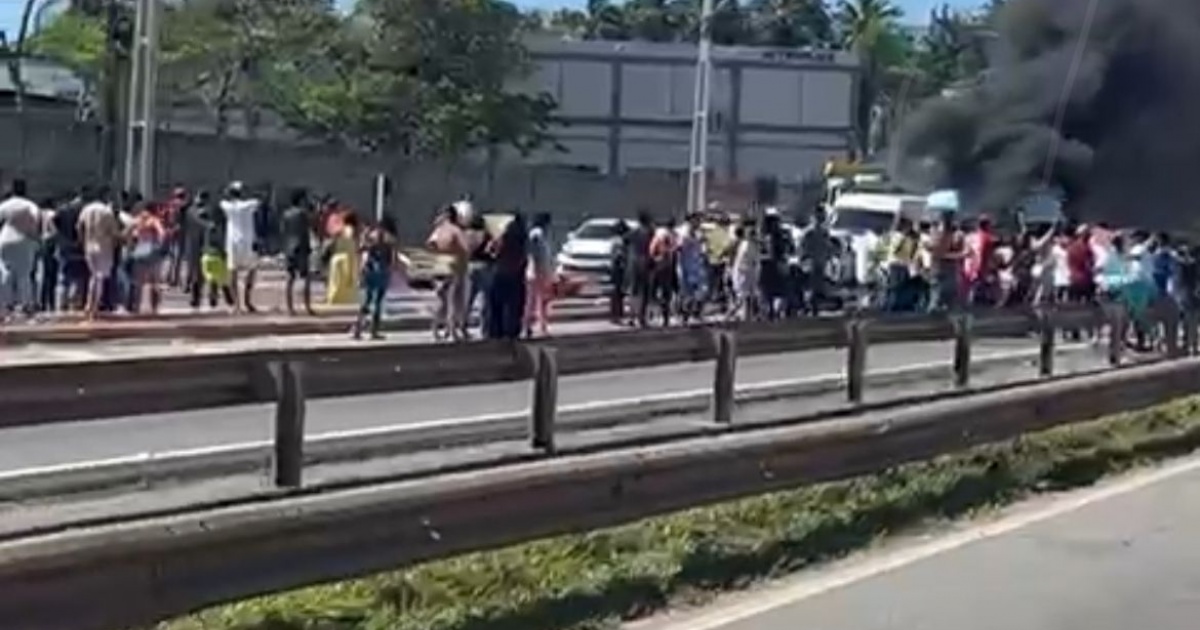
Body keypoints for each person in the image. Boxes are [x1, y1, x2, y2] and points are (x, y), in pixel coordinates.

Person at [426, 205, 469, 340]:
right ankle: (452, 330)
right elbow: (465, 248)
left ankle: (435, 329)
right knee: (453, 300)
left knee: (441, 300)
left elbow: (429, 244)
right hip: (453, 267)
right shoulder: (456, 231)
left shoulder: (438, 230)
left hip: (439, 266)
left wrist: (439, 253)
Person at [77, 186, 121, 320]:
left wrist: (82, 241)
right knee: (100, 278)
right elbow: (113, 232)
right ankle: (94, 306)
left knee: (94, 276)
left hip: (89, 245)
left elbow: (79, 227)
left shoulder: (86, 209)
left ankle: (89, 304)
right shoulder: (106, 211)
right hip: (103, 246)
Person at [0, 179, 41, 319]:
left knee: (6, 273)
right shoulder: (29, 205)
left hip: (5, 239)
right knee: (24, 274)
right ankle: (26, 305)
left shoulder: (5, 204)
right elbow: (36, 220)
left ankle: (3, 306)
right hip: (24, 240)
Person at [352, 217, 398, 340]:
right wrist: (391, 270)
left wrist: (361, 270)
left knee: (366, 300)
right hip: (382, 271)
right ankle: (374, 331)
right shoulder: (390, 239)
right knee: (378, 302)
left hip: (370, 269)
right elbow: (393, 259)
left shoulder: (370, 236)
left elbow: (361, 251)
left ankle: (358, 328)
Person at [220, 181, 260, 313]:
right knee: (252, 270)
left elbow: (223, 198)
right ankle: (247, 301)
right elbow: (259, 199)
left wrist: (229, 190)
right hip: (248, 242)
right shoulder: (250, 204)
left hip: (233, 243)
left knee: (233, 273)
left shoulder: (227, 206)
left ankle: (237, 305)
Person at [486, 213, 528, 340]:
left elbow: (490, 250)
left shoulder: (502, 237)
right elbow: (524, 257)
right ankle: (511, 331)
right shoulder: (522, 238)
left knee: (496, 305)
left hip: (499, 273)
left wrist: (494, 258)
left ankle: (495, 331)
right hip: (515, 275)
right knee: (514, 306)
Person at [124, 200, 167, 314]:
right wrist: (159, 245)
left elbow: (126, 234)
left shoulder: (136, 220)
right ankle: (154, 309)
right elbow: (162, 233)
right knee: (155, 282)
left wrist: (130, 246)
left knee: (138, 283)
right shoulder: (153, 220)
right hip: (152, 253)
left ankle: (136, 308)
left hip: (138, 252)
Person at [280, 188, 315, 315]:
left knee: (290, 278)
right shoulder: (303, 213)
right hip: (301, 247)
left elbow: (283, 230)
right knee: (305, 277)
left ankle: (290, 308)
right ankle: (307, 306)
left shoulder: (286, 213)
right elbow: (307, 229)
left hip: (289, 247)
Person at [464, 213, 494, 339]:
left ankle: (462, 327)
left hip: (470, 267)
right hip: (484, 267)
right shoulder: (486, 235)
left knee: (468, 299)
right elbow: (490, 250)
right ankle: (484, 329)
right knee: (485, 300)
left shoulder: (465, 235)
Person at [525, 212, 555, 337]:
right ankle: (529, 325)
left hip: (541, 271)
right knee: (533, 300)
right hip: (537, 271)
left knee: (541, 300)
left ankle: (541, 325)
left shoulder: (542, 235)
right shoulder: (537, 234)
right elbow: (532, 253)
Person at [326, 211, 360, 306]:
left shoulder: (339, 230)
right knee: (345, 280)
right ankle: (345, 299)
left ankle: (333, 298)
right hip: (347, 258)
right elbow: (351, 243)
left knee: (335, 281)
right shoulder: (350, 230)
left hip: (337, 257)